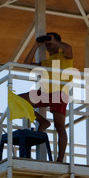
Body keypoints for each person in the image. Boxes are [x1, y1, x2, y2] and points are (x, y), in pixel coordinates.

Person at [19, 32, 73, 163]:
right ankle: (43, 122)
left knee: (60, 126)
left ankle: (60, 159)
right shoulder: (45, 62)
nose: (48, 44)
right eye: (47, 43)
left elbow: (69, 49)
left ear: (57, 42)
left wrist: (54, 40)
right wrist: (36, 45)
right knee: (20, 99)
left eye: (51, 42)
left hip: (59, 92)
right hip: (45, 93)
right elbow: (26, 64)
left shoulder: (64, 56)